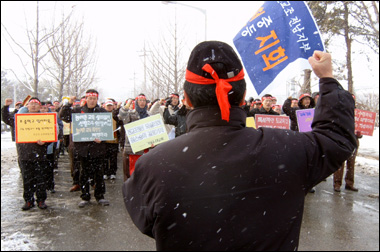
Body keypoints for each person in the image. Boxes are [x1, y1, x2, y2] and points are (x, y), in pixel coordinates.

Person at [122, 41, 357, 251]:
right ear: (243, 97)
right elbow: (336, 139)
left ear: (186, 98)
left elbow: (144, 219)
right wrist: (327, 79)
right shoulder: (286, 149)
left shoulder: (154, 165)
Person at [59, 89, 110, 208]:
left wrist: (102, 138)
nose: (92, 101)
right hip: (83, 149)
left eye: (94, 99)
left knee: (99, 173)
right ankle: (85, 196)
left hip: (98, 148)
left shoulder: (102, 112)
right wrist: (68, 103)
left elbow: (107, 130)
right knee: (84, 173)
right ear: (86, 99)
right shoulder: (77, 111)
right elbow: (63, 116)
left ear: (97, 99)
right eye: (90, 98)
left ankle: (100, 196)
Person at [4, 97, 50, 210]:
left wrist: (45, 142)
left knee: (40, 179)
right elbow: (6, 119)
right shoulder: (20, 119)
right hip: (25, 154)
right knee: (27, 179)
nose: (33, 106)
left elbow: (51, 134)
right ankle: (28, 200)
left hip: (40, 154)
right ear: (27, 106)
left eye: (36, 104)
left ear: (40, 107)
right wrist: (5, 107)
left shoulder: (45, 118)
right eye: (31, 104)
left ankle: (41, 200)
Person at [118, 93, 152, 181]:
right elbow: (121, 115)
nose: (142, 102)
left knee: (145, 172)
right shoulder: (130, 114)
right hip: (134, 148)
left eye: (144, 100)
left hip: (146, 148)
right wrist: (127, 105)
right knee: (133, 172)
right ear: (136, 102)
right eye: (140, 100)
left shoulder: (149, 115)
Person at [333, 94, 362, 192]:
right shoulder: (339, 113)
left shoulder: (359, 115)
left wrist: (359, 134)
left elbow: (362, 129)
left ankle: (349, 183)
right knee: (340, 163)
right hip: (342, 140)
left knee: (351, 163)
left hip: (353, 141)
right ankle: (337, 183)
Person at [103, 99, 124, 180]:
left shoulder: (115, 115)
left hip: (114, 140)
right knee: (104, 158)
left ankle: (112, 172)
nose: (109, 107)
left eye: (110, 106)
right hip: (104, 140)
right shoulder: (102, 115)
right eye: (107, 106)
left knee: (113, 158)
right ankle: (105, 172)